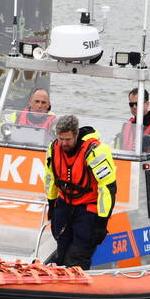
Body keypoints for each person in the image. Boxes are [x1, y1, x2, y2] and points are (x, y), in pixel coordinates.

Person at [44, 114, 117, 270]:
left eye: (68, 139)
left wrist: (102, 222)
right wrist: (51, 204)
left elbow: (107, 187)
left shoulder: (95, 151)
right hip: (64, 205)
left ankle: (76, 277)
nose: (64, 143)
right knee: (61, 249)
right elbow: (50, 177)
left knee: (78, 255)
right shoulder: (53, 148)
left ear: (76, 135)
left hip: (87, 209)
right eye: (61, 139)